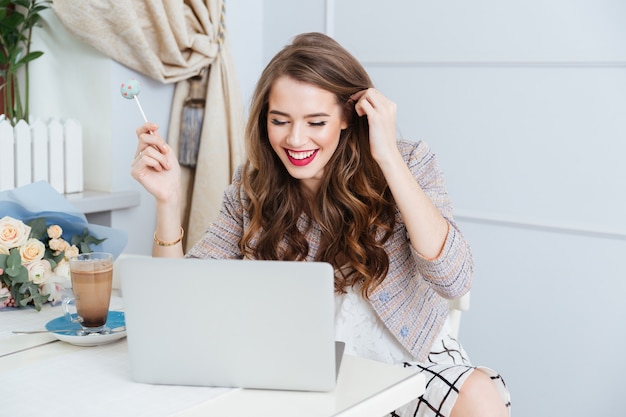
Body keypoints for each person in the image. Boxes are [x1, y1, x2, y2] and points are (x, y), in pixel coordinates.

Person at [131, 32, 511, 417]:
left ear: (349, 116)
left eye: (316, 122)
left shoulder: (410, 162)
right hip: (299, 365)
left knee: (479, 395)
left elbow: (454, 279)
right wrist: (167, 201)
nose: (295, 139)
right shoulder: (251, 188)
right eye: (280, 120)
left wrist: (388, 156)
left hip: (408, 355)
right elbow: (180, 305)